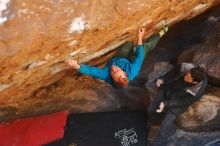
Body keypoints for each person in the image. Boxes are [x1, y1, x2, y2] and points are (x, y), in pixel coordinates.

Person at [65, 26, 168, 88]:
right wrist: (140, 37)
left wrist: (76, 66)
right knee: (145, 46)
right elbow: (140, 55)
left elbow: (91, 71)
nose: (114, 69)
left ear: (111, 78)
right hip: (128, 61)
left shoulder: (105, 75)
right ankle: (161, 33)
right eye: (117, 70)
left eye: (113, 72)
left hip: (118, 59)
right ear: (125, 73)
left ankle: (157, 35)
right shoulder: (133, 70)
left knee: (127, 45)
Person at [147, 63, 208, 145]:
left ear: (195, 82)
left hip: (177, 102)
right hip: (168, 90)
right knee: (150, 110)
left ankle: (163, 139)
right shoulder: (187, 68)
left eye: (188, 78)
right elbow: (172, 72)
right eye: (187, 74)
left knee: (164, 128)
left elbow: (184, 102)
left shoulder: (197, 91)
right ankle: (158, 122)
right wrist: (162, 79)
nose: (185, 76)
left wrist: (166, 104)